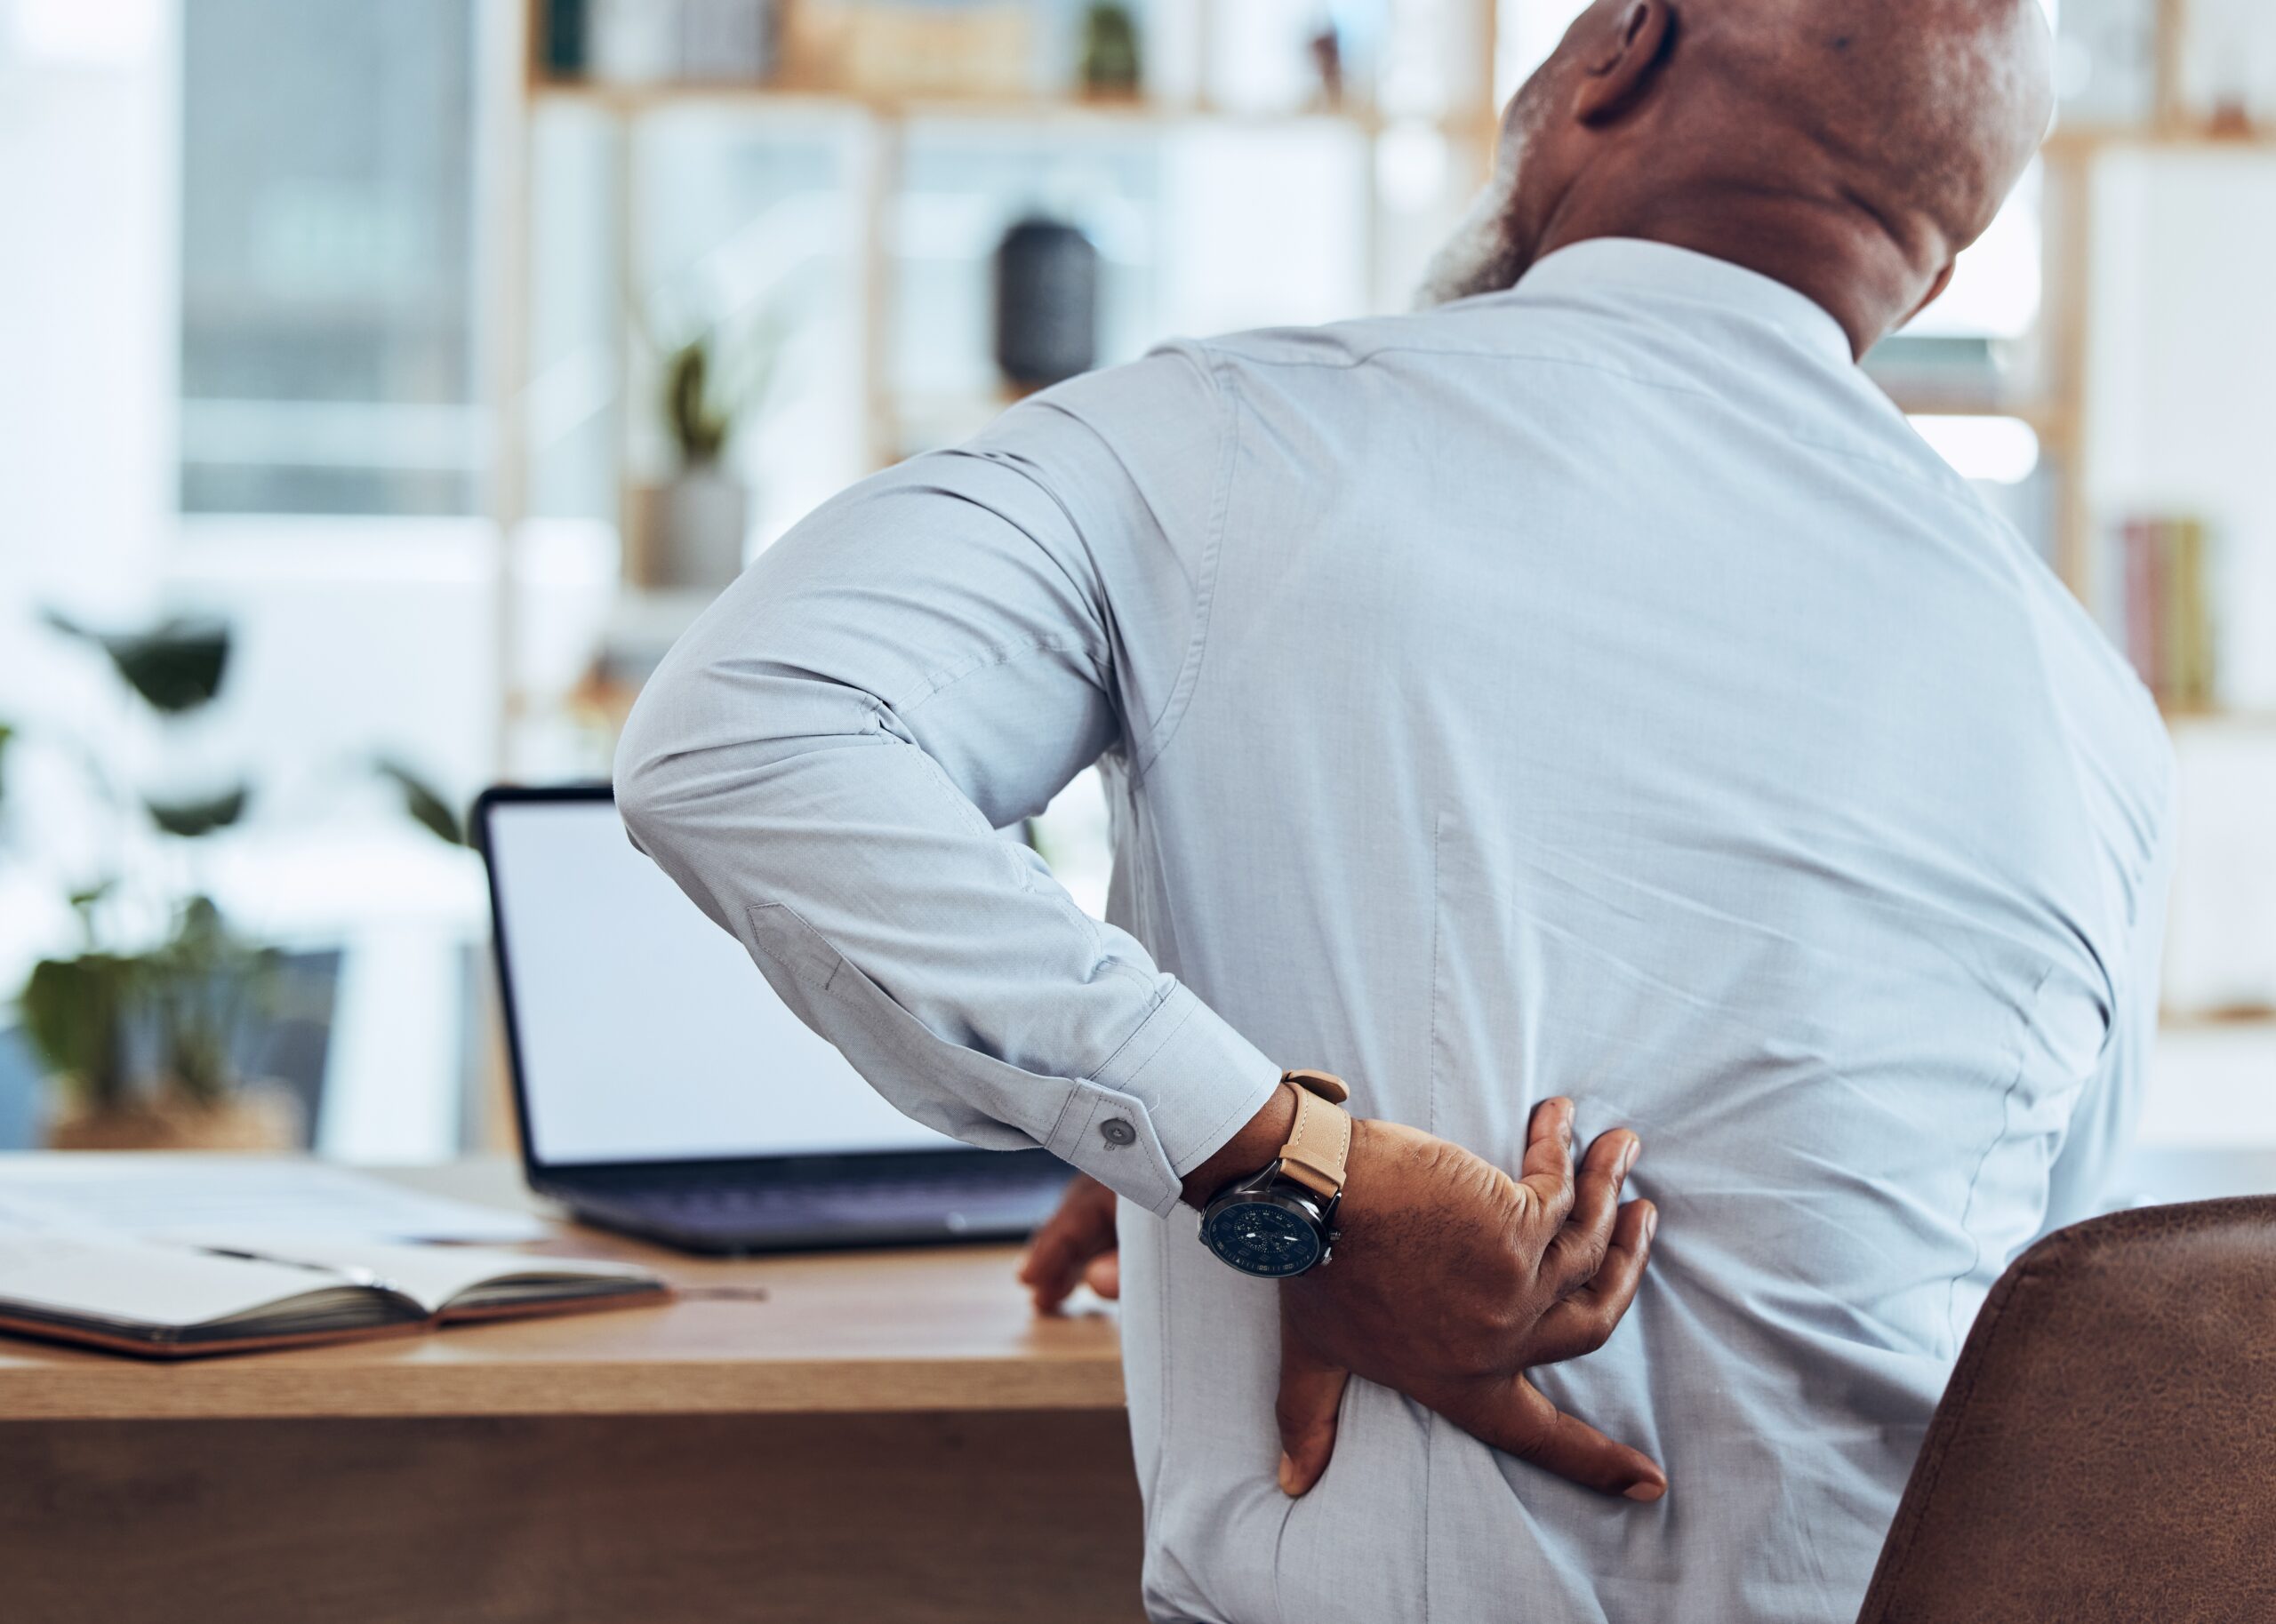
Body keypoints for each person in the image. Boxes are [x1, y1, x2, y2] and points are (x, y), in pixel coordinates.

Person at [613, 0, 2176, 1616]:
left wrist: (1266, 1170)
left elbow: (749, 731)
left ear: (1617, 49)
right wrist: (1183, 1130)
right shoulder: (2089, 710)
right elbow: (2063, 1336)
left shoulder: (1233, 441)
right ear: (1937, 255)